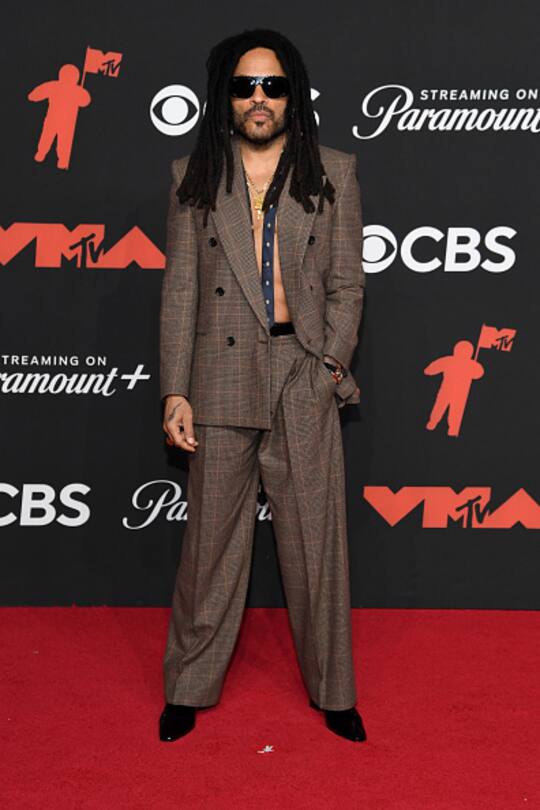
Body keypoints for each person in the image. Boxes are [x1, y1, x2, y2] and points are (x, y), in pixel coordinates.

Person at [158, 28, 366, 743]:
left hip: (301, 372)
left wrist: (330, 365)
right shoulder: (194, 174)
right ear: (225, 96)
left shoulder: (333, 171)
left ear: (291, 96)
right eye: (245, 86)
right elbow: (180, 290)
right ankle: (189, 685)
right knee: (210, 548)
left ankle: (335, 691)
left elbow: (347, 283)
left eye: (272, 86)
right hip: (217, 376)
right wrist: (174, 390)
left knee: (316, 546)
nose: (258, 98)